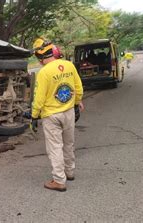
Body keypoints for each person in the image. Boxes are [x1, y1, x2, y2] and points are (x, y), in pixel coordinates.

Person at [30, 37, 84, 192]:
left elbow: (39, 99)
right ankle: (70, 172)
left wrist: (34, 116)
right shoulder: (69, 65)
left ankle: (59, 180)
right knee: (69, 143)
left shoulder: (44, 72)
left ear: (40, 57)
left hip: (51, 116)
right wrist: (77, 103)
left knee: (55, 148)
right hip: (68, 112)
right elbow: (78, 88)